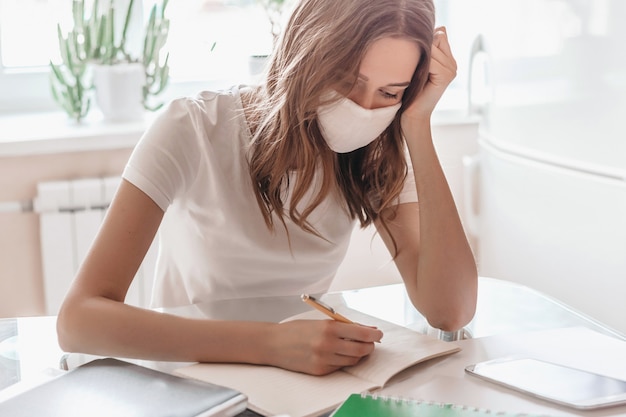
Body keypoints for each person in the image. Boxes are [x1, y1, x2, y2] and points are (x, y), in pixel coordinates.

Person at [56, 0, 478, 376]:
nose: (363, 109)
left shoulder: (373, 149)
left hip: (302, 384)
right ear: (308, 53)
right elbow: (78, 320)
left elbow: (450, 311)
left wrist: (417, 125)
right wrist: (270, 345)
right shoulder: (195, 126)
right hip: (193, 378)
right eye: (348, 80)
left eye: (390, 92)